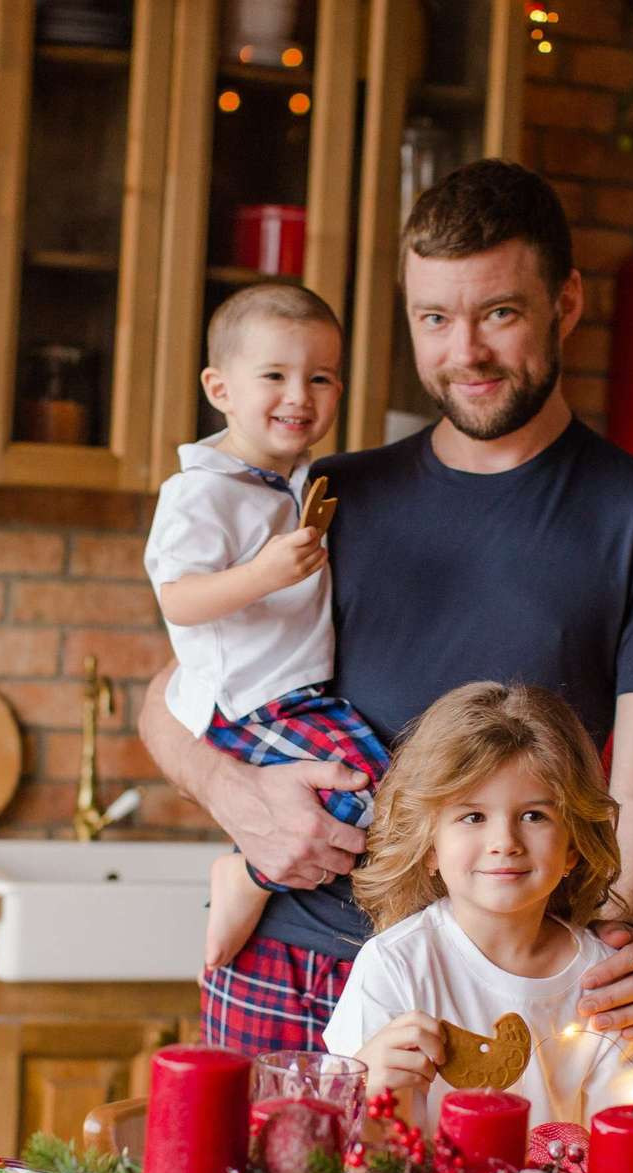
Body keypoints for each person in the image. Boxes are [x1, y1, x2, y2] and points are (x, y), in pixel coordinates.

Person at [140, 160, 633, 1054]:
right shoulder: (326, 494)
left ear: (565, 303)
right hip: (288, 965)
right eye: (435, 319)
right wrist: (234, 794)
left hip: (496, 980)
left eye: (500, 313)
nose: (466, 352)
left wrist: (622, 935)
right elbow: (177, 692)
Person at [142, 284, 392, 977]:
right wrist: (263, 573)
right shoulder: (201, 491)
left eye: (321, 378)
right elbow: (178, 598)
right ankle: (247, 874)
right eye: (275, 376)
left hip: (296, 694)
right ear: (219, 388)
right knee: (367, 794)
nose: (299, 396)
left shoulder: (293, 479)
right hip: (245, 701)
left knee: (395, 791)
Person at [324, 682, 633, 1127]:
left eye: (534, 816)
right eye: (472, 816)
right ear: (429, 847)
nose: (504, 842)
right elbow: (349, 1141)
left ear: (573, 846)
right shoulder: (395, 966)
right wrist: (368, 1087)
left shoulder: (604, 982)